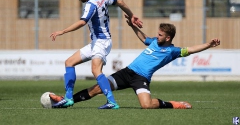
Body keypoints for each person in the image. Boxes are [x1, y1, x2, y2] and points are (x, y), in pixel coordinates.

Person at [50, 16, 220, 109]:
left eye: (160, 35)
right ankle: (66, 100)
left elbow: (191, 49)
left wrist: (208, 45)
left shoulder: (173, 51)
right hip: (127, 72)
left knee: (146, 105)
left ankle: (174, 104)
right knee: (97, 89)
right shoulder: (154, 41)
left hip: (141, 78)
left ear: (168, 38)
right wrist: (132, 26)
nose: (157, 36)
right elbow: (144, 38)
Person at [49, 0, 143, 109]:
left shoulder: (90, 4)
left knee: (95, 70)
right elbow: (120, 2)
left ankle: (112, 102)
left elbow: (82, 22)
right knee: (69, 62)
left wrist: (62, 31)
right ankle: (69, 98)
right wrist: (132, 15)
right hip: (96, 42)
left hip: (101, 41)